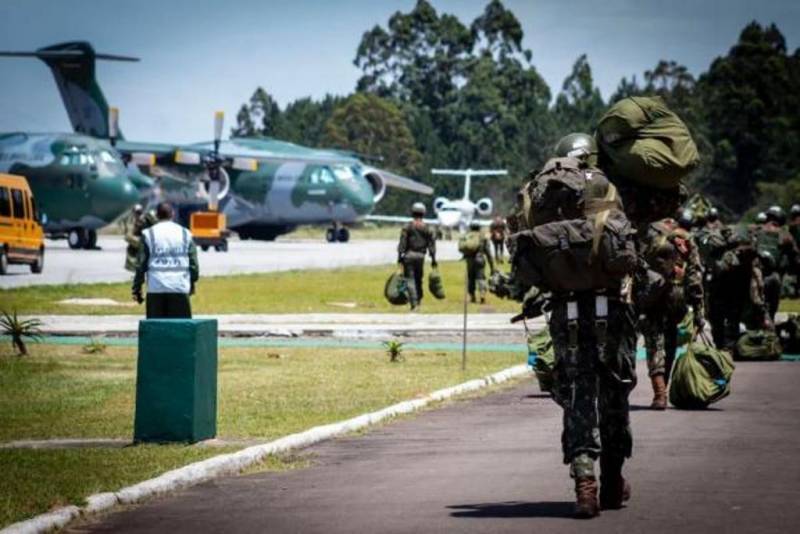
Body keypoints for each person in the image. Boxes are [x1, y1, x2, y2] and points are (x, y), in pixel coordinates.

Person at [540, 133, 638, 517]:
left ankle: (585, 485)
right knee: (615, 396)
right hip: (611, 311)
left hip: (566, 314)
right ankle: (612, 481)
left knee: (578, 398)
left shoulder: (546, 193)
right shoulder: (608, 188)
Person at [639, 214, 705, 410]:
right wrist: (699, 311)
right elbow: (694, 276)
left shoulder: (647, 232)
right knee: (669, 342)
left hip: (651, 295)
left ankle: (660, 394)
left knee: (654, 344)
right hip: (677, 297)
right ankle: (663, 389)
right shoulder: (684, 236)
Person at [132, 202, 199, 318]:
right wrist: (192, 282)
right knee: (180, 327)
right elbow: (193, 264)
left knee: (156, 327)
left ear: (157, 215)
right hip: (179, 287)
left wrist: (137, 288)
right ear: (172, 214)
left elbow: (141, 265)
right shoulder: (185, 233)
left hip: (155, 289)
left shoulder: (149, 234)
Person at [753, 206, 799, 322]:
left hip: (754, 276)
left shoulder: (756, 231)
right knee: (771, 309)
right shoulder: (785, 235)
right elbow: (795, 257)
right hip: (774, 277)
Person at [397, 202, 437, 311]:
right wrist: (433, 259)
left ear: (412, 213)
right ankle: (418, 301)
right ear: (423, 213)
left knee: (410, 280)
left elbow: (402, 243)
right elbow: (432, 245)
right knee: (419, 279)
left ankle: (414, 304)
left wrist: (399, 256)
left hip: (409, 256)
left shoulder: (407, 227)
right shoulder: (428, 228)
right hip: (421, 257)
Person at [459, 221, 496, 303]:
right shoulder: (483, 237)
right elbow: (488, 253)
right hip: (480, 260)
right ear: (479, 227)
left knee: (471, 278)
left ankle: (472, 297)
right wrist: (492, 266)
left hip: (470, 261)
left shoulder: (468, 236)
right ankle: (482, 295)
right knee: (481, 278)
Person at [122, 204, 156, 272]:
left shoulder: (146, 219)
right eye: (137, 212)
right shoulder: (132, 220)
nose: (138, 214)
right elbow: (128, 235)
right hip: (139, 241)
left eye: (139, 212)